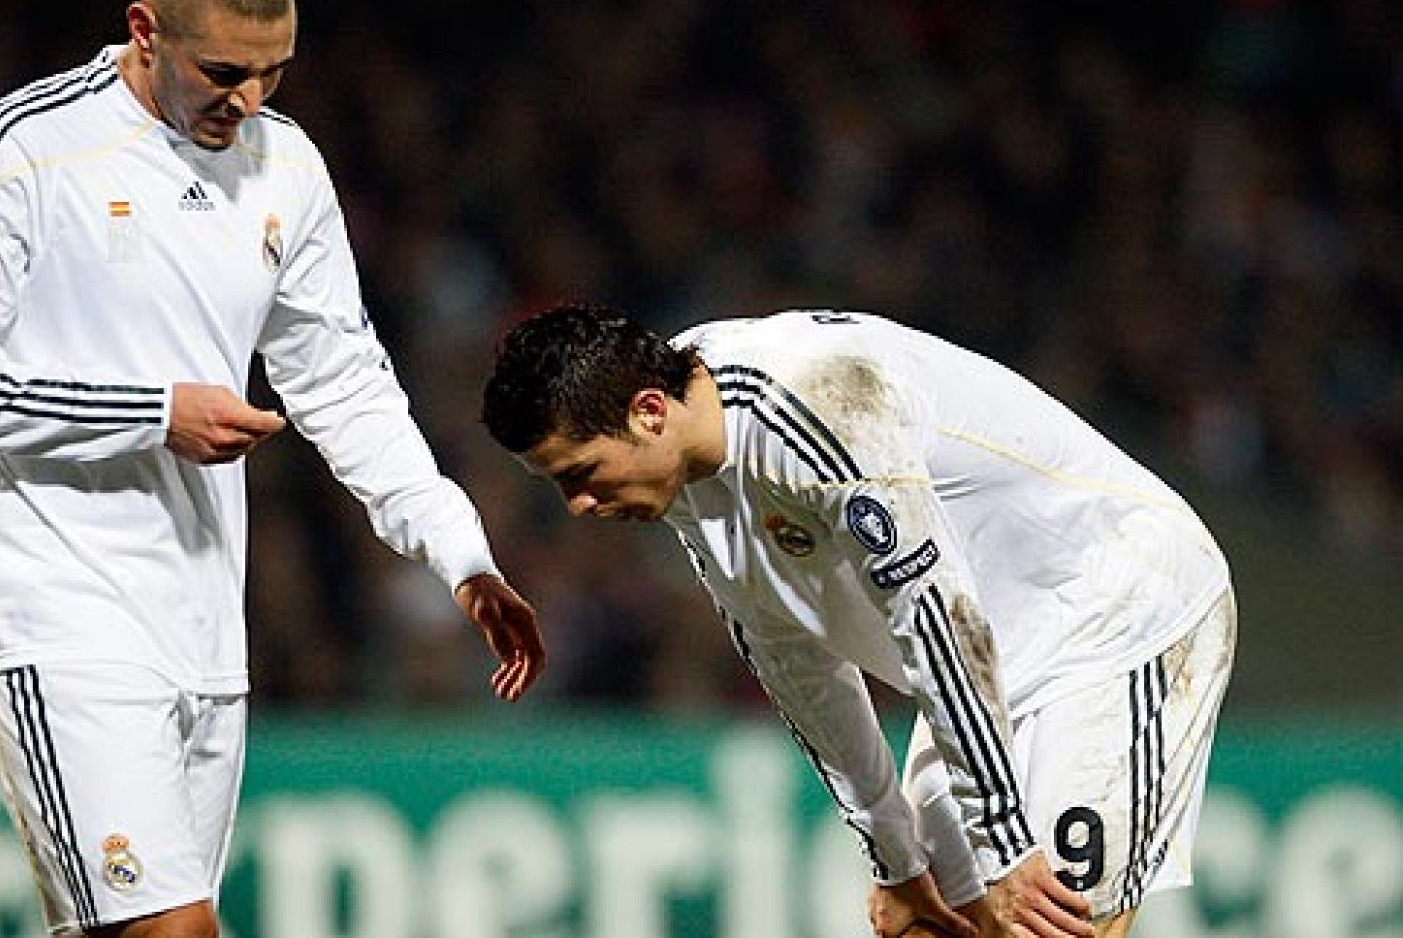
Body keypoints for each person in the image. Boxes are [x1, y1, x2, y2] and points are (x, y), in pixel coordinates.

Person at [0, 0, 545, 936]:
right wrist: (152, 414)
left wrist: (459, 550)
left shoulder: (287, 168)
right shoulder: (26, 148)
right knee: (172, 929)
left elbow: (345, 383)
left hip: (204, 628)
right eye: (225, 71)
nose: (251, 98)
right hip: (57, 606)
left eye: (275, 72)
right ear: (145, 30)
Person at [481, 304, 1236, 938]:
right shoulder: (682, 460)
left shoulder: (817, 404)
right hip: (993, 663)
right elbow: (791, 657)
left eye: (580, 474)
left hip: (1115, 613)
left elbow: (935, 614)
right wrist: (893, 856)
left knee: (1046, 923)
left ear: (649, 412)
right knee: (935, 925)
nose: (578, 505)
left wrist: (1004, 841)